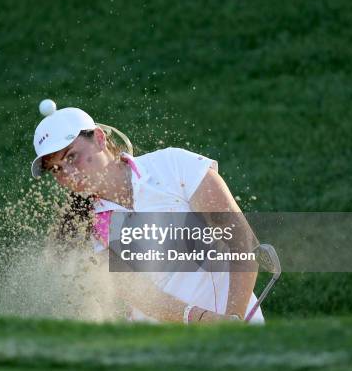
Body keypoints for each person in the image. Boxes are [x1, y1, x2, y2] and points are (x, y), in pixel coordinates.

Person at [30, 100, 264, 324]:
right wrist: (202, 321)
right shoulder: (88, 228)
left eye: (72, 157)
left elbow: (240, 242)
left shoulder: (174, 165)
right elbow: (144, 297)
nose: (68, 174)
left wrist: (233, 318)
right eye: (56, 169)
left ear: (99, 139)